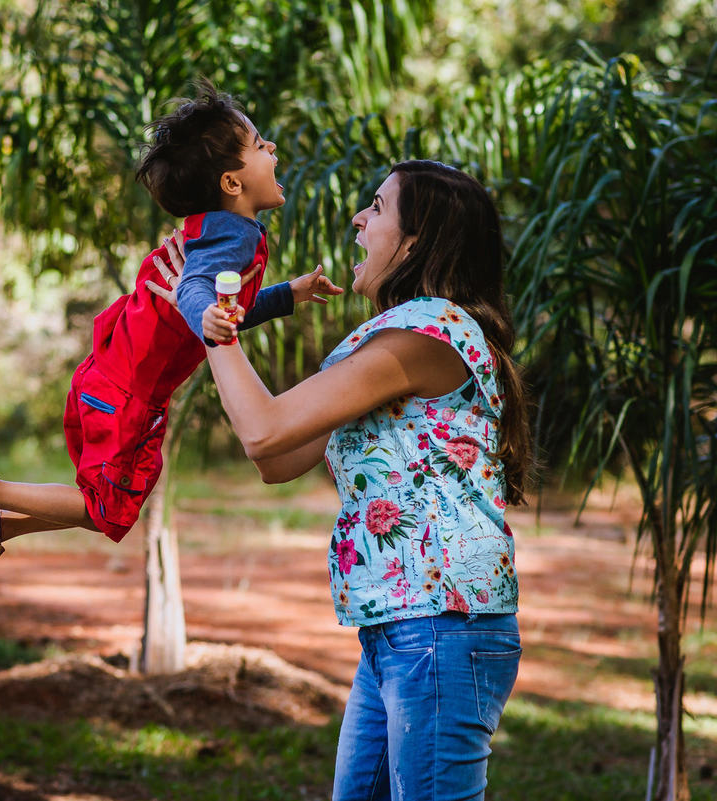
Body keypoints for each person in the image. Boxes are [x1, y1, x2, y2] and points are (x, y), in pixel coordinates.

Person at [161, 160, 529, 800]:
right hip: (399, 627)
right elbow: (277, 459)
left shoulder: (425, 334)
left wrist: (210, 316)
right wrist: (206, 317)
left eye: (378, 209)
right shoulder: (383, 342)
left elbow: (263, 432)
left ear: (414, 243)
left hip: (442, 627)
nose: (358, 218)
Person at [0, 79, 343, 601]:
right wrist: (205, 311)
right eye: (258, 145)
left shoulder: (213, 229)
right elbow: (194, 289)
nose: (271, 148)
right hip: (129, 395)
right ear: (232, 182)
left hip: (113, 378)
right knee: (107, 510)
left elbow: (228, 310)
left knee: (108, 507)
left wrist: (286, 296)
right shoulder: (237, 235)